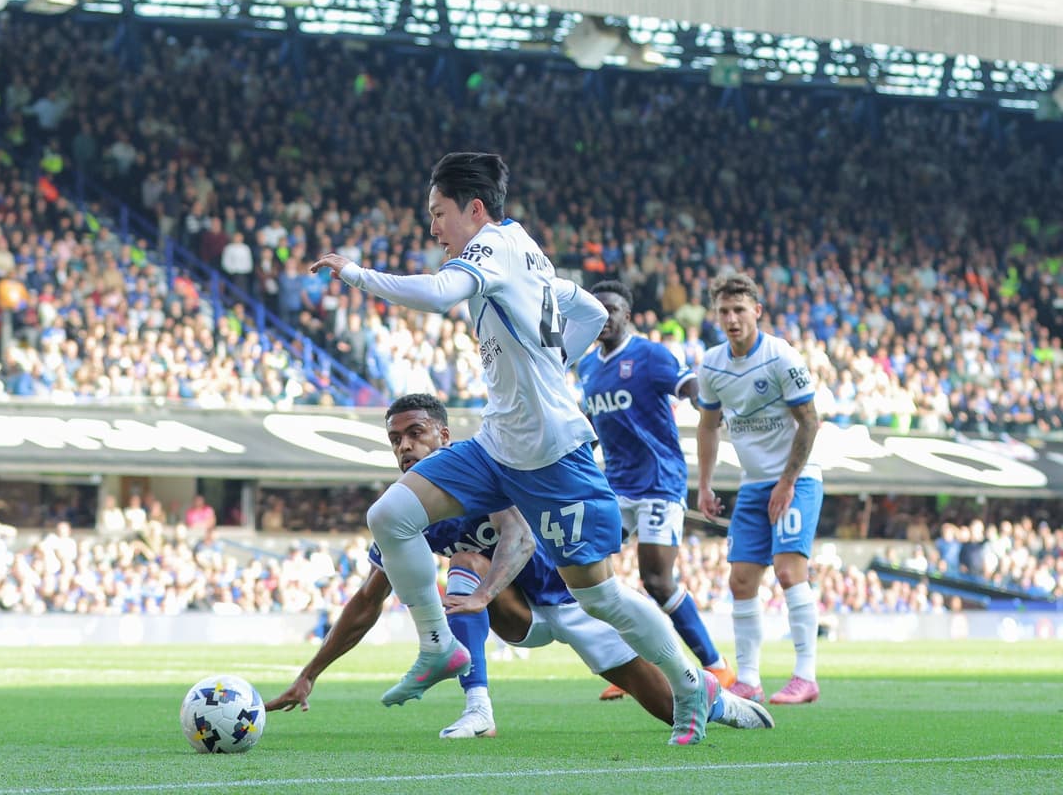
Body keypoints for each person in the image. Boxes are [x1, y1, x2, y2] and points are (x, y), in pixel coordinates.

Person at [311, 151, 711, 745]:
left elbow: (441, 293)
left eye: (438, 213)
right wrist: (557, 362)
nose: (432, 228)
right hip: (500, 442)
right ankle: (438, 647)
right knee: (389, 514)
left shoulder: (491, 248)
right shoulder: (526, 249)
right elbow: (592, 309)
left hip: (552, 454)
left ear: (474, 209)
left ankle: (689, 684)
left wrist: (356, 272)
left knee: (600, 596)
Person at [264, 394, 774, 738]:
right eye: (396, 440)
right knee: (461, 563)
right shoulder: (408, 510)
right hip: (514, 611)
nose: (404, 447)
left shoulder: (480, 464)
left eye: (415, 434)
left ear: (443, 435)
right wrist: (310, 674)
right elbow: (367, 600)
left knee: (665, 706)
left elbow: (521, 534)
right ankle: (478, 709)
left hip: (574, 597)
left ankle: (715, 697)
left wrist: (485, 591)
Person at [577, 281, 736, 701]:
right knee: (590, 576)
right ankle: (634, 667)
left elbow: (687, 386)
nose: (605, 316)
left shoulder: (649, 355)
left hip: (658, 483)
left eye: (612, 309)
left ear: (627, 315)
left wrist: (706, 404)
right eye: (598, 309)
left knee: (657, 580)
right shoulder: (588, 367)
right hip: (614, 485)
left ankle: (715, 663)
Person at [695, 273, 824, 705]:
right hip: (753, 484)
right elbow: (709, 425)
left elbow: (809, 421)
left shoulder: (780, 357)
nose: (732, 319)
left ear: (757, 313)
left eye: (739, 311)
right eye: (724, 312)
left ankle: (805, 676)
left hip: (797, 479)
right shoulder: (711, 364)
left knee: (789, 572)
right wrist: (706, 483)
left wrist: (787, 482)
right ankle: (748, 678)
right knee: (741, 580)